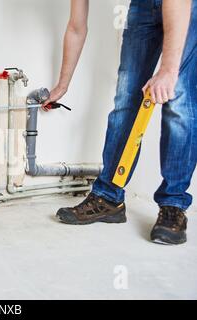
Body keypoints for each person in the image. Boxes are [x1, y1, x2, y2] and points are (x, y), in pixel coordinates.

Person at [49, 0, 196, 245]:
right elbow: (76, 27)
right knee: (127, 98)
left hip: (185, 6)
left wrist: (169, 70)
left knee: (178, 98)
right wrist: (62, 85)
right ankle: (109, 198)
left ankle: (174, 204)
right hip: (142, 6)